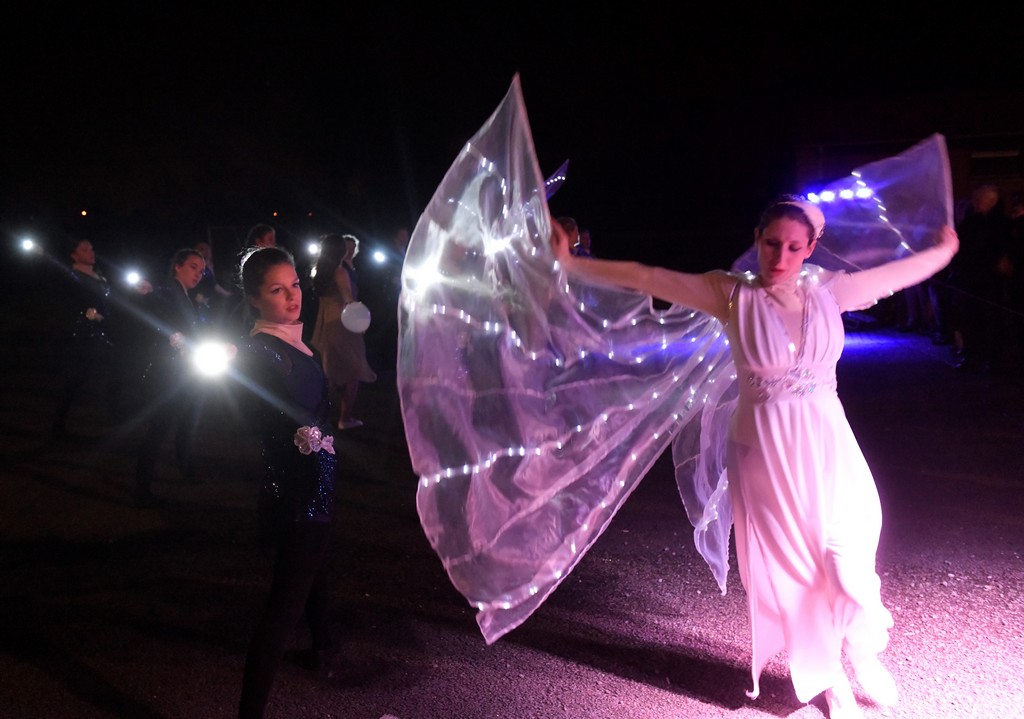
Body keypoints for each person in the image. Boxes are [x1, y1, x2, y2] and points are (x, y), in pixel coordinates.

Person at [551, 196, 959, 719]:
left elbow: (895, 274)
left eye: (794, 247)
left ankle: (859, 644)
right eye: (771, 244)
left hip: (829, 442)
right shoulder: (729, 294)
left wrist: (943, 251)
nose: (781, 257)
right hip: (766, 450)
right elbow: (646, 275)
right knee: (800, 571)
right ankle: (828, 679)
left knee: (851, 554)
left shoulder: (830, 290)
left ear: (811, 247)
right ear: (757, 239)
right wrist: (572, 263)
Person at [234, 246, 338, 719]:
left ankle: (324, 646)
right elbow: (257, 414)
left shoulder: (302, 346)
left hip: (317, 488)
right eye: (277, 290)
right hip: (296, 497)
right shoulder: (259, 351)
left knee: (312, 574)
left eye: (294, 284)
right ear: (255, 299)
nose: (292, 296)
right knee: (281, 610)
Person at [133, 248, 209, 506]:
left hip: (187, 369)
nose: (198, 273)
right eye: (192, 266)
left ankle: (185, 466)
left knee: (188, 420)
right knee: (159, 428)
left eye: (201, 269)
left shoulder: (186, 295)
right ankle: (141, 489)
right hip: (169, 372)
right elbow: (155, 308)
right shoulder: (167, 290)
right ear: (177, 266)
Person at [50, 237, 120, 437]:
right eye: (84, 249)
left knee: (114, 369)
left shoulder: (98, 275)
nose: (91, 252)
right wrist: (89, 315)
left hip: (103, 331)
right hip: (85, 334)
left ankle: (114, 411)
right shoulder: (73, 276)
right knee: (78, 377)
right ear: (74, 255)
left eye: (91, 248)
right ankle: (58, 425)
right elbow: (70, 303)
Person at [308, 233, 377, 429]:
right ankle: (345, 418)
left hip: (325, 324)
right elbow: (348, 300)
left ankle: (320, 415)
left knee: (330, 371)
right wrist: (361, 321)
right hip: (343, 325)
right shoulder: (339, 272)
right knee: (353, 371)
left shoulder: (320, 271)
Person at [191, 239, 235, 328]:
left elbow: (213, 283)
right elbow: (212, 284)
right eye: (201, 249)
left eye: (206, 249)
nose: (205, 252)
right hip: (200, 297)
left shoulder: (208, 266)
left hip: (209, 299)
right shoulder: (200, 268)